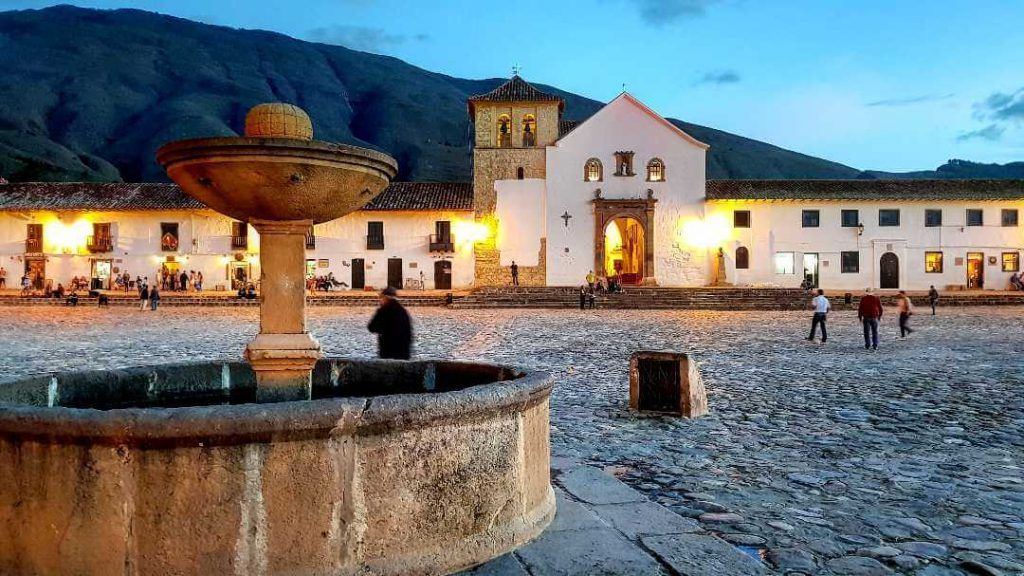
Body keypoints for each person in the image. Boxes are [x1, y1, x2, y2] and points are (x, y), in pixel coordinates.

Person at [367, 286, 413, 360]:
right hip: (403, 352)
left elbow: (371, 327)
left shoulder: (383, 311)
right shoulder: (403, 311)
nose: (380, 300)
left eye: (381, 298)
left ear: (385, 297)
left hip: (387, 351)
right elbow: (409, 333)